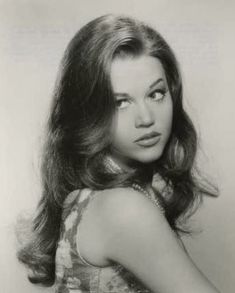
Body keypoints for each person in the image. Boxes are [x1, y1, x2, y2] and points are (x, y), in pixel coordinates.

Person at [17, 14, 220, 293]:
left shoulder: (89, 199)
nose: (146, 118)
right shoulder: (123, 208)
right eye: (121, 102)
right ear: (87, 112)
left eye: (156, 94)